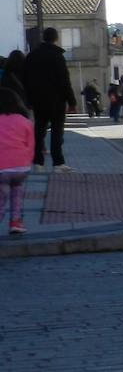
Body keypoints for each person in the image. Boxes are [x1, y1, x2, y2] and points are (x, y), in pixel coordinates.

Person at [21, 27, 77, 172]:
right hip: (56, 100)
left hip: (38, 100)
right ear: (55, 38)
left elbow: (26, 79)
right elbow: (64, 80)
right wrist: (71, 102)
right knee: (57, 131)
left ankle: (38, 162)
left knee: (39, 130)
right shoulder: (58, 56)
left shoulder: (32, 56)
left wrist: (29, 100)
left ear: (43, 38)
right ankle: (58, 163)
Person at [0, 88, 34, 235]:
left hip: (2, 168)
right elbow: (30, 145)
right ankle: (15, 221)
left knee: (1, 197)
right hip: (21, 167)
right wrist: (27, 161)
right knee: (17, 193)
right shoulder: (25, 121)